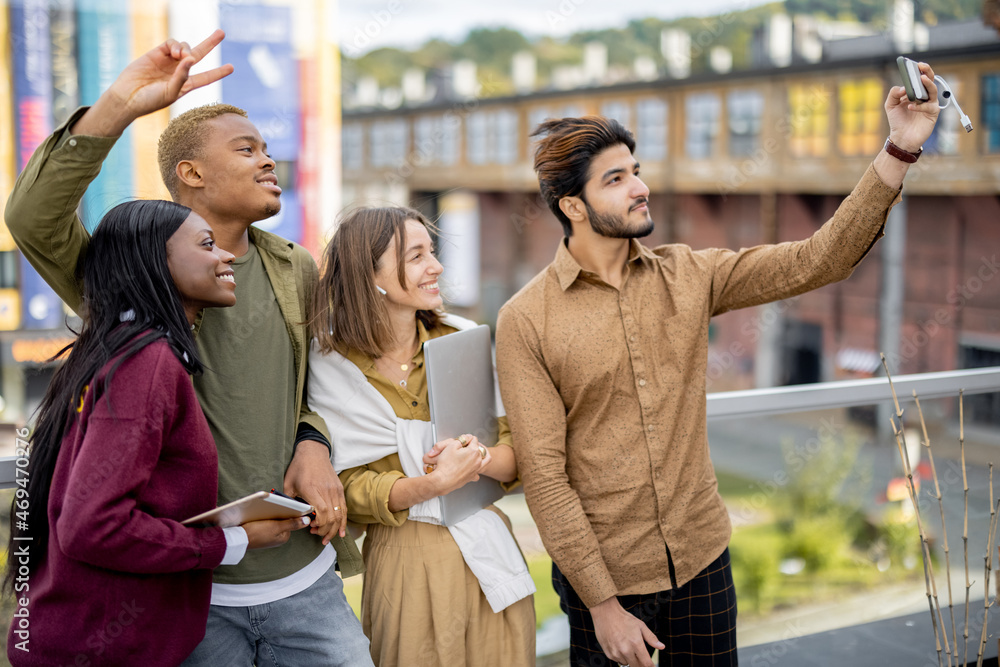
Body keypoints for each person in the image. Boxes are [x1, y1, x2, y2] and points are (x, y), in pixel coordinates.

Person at [495, 64, 943, 667]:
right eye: (617, 179)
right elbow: (545, 478)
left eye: (637, 171)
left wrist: (901, 147)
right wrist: (602, 606)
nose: (640, 187)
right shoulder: (526, 320)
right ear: (572, 205)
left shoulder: (689, 274)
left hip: (704, 563)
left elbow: (822, 258)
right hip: (607, 586)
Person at [3, 32, 372, 665]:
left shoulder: (295, 268)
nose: (268, 159)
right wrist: (120, 104)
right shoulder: (131, 278)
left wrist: (313, 442)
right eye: (246, 148)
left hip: (302, 579)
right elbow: (34, 217)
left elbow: (312, 390)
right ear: (191, 173)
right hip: (185, 592)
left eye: (266, 147)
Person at [4, 200, 311, 665]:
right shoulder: (146, 365)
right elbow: (92, 526)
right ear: (154, 261)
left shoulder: (123, 350)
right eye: (206, 245)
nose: (226, 256)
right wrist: (232, 542)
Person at [305, 206, 536, 667]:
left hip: (490, 558)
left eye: (432, 252)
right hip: (403, 562)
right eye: (417, 256)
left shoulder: (464, 342)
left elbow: (518, 457)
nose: (437, 266)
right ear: (370, 276)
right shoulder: (329, 367)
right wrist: (433, 484)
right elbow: (346, 488)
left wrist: (478, 459)